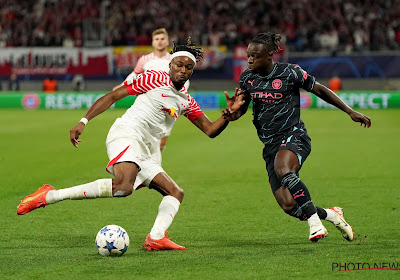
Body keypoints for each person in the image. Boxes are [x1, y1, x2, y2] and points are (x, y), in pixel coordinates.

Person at [17, 40, 244, 251]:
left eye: (188, 67)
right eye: (179, 65)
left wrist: (227, 115)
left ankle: (156, 237)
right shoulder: (154, 78)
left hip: (143, 147)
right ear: (171, 64)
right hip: (126, 133)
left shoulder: (186, 101)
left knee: (175, 192)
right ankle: (50, 195)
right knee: (124, 186)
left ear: (192, 71)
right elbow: (114, 96)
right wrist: (83, 121)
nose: (183, 70)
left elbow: (210, 130)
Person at [225, 32, 371, 242]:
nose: (249, 60)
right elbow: (243, 109)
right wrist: (233, 113)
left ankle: (315, 224)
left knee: (284, 169)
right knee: (288, 205)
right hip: (270, 144)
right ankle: (331, 215)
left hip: (294, 135)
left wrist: (349, 111)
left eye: (254, 56)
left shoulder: (290, 72)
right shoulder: (248, 78)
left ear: (269, 56)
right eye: (248, 55)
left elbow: (319, 89)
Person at [113, 28, 183, 164]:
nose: (160, 42)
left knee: (157, 145)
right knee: (146, 145)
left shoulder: (174, 60)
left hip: (166, 106)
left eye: (162, 39)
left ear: (167, 41)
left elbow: (182, 80)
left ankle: (143, 173)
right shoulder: (145, 60)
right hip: (145, 105)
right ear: (152, 42)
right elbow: (135, 75)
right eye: (157, 39)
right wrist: (122, 86)